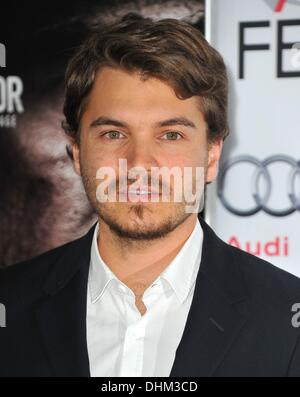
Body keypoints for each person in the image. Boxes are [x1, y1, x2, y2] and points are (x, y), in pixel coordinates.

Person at [1, 12, 300, 377]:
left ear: (211, 155)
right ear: (77, 152)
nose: (139, 163)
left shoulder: (287, 318)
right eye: (114, 133)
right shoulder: (10, 305)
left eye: (171, 135)